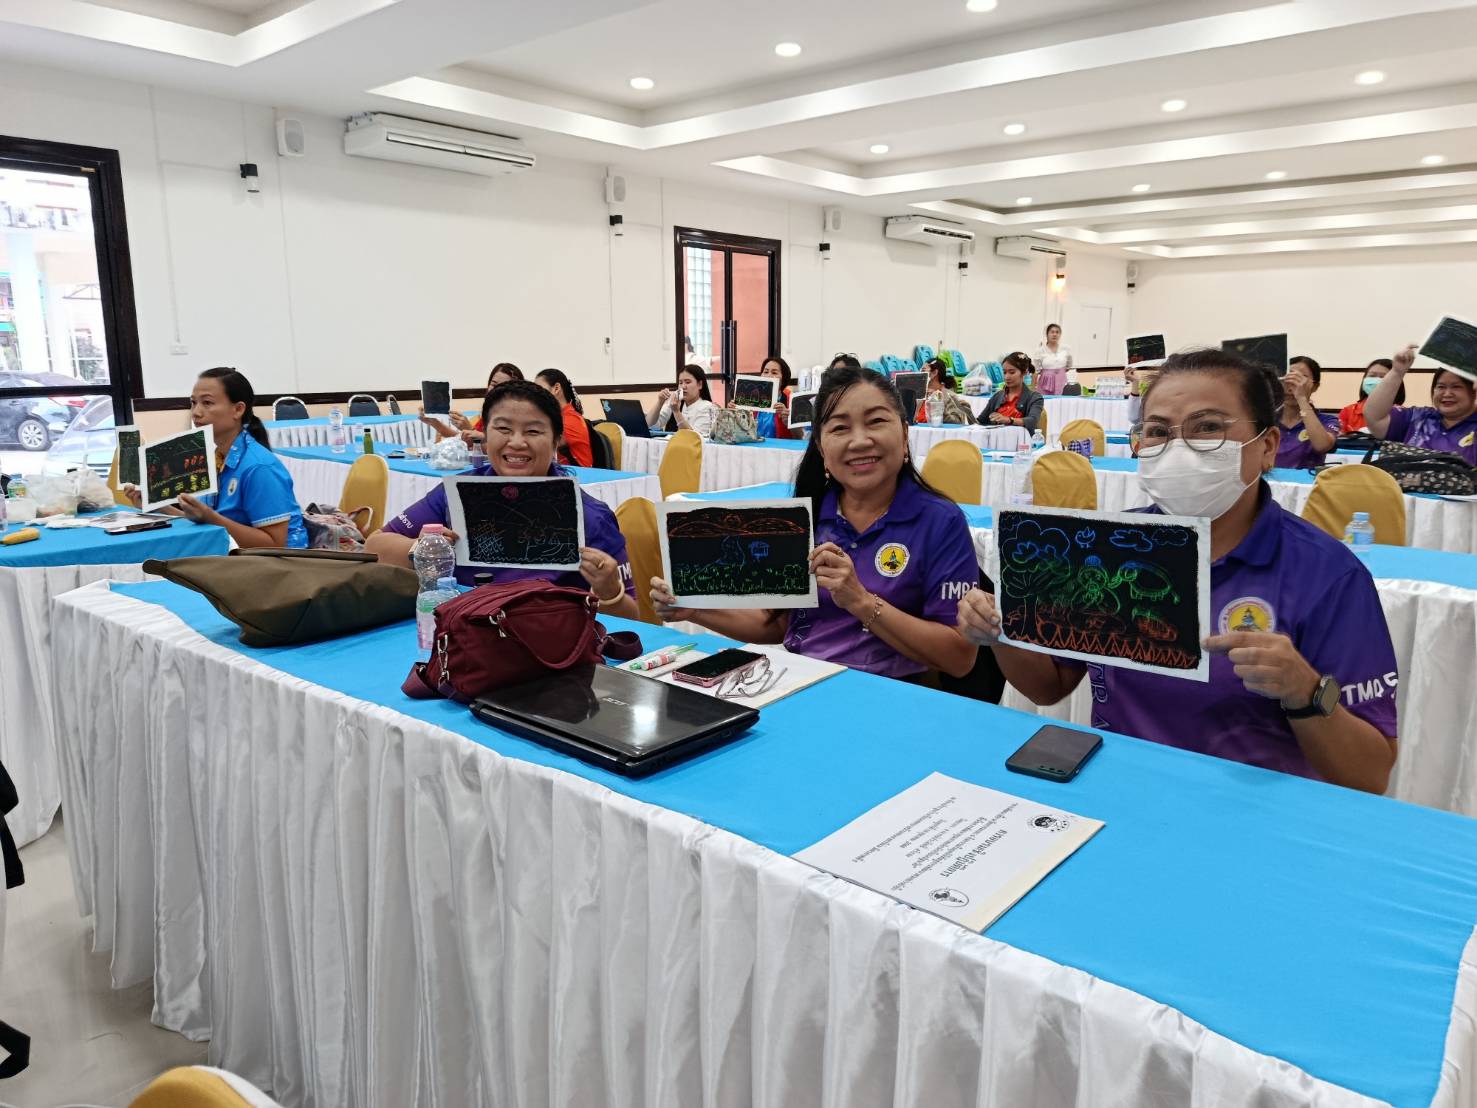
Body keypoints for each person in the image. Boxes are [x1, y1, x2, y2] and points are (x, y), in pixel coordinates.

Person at [957, 348, 1398, 793]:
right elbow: (1049, 686)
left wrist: (1306, 691)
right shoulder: (1108, 547)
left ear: (1267, 447)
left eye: (1208, 428)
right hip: (1119, 792)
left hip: (1251, 812)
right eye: (1157, 432)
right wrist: (1000, 632)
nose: (1178, 448)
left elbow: (1369, 775)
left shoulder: (1328, 576)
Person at [650, 366, 978, 680]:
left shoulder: (940, 522)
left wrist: (861, 601)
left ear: (904, 434)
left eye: (876, 421)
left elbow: (959, 658)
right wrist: (694, 610)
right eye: (840, 428)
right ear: (821, 446)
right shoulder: (807, 517)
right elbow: (780, 625)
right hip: (799, 684)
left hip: (892, 696)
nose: (859, 440)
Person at [365, 381, 637, 617]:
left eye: (533, 431)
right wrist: (423, 549)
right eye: (503, 429)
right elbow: (375, 546)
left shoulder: (591, 517)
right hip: (465, 636)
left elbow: (633, 619)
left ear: (556, 441)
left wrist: (609, 591)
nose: (516, 442)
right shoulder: (456, 494)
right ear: (485, 434)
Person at [124, 367, 307, 548]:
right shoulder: (215, 459)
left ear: (238, 410)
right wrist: (156, 506)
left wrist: (210, 518)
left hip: (276, 562)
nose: (196, 412)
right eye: (193, 402)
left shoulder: (259, 467)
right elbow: (205, 524)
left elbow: (275, 544)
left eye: (207, 403)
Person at [1364, 344, 1477, 464]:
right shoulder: (1417, 417)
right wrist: (1397, 371)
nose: (1447, 393)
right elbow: (1374, 418)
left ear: (1474, 391)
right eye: (1441, 387)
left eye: (1456, 387)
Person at [421, 363, 522, 444]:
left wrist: (470, 429)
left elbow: (498, 448)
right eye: (493, 384)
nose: (496, 389)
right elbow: (461, 438)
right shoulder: (485, 415)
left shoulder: (516, 419)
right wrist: (434, 422)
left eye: (503, 386)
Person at [1274, 355, 1338, 468]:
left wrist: (1301, 398)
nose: (1292, 387)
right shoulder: (1268, 419)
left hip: (1309, 479)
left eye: (1300, 379)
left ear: (1315, 386)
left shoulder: (1327, 420)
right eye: (1288, 378)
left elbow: (1322, 446)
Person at [534, 368, 593, 467]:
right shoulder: (560, 417)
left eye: (540, 390)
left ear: (556, 388)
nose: (536, 396)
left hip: (578, 474)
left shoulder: (569, 421)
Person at [978, 352, 1044, 433]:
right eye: (1004, 372)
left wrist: (1009, 420)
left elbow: (1032, 421)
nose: (1007, 377)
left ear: (1024, 372)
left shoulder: (1034, 397)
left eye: (1012, 372)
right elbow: (980, 422)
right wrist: (967, 412)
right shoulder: (997, 396)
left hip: (1022, 440)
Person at [648, 364, 717, 439]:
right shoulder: (675, 401)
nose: (683, 386)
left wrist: (676, 412)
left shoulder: (707, 407)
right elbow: (650, 424)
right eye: (680, 383)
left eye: (687, 382)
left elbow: (694, 438)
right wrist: (660, 402)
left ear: (699, 384)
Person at [1338, 358, 1403, 434]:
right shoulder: (1348, 412)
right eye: (1372, 376)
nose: (1376, 380)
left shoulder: (1403, 414)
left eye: (1383, 377)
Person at [740, 355, 794, 438]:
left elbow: (800, 437)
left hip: (780, 446)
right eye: (765, 372)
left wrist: (789, 423)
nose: (768, 376)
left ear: (783, 379)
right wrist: (733, 412)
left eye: (774, 373)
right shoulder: (750, 398)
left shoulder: (791, 401)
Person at [913, 358, 972, 425]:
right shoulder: (920, 395)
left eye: (923, 370)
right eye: (920, 370)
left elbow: (957, 422)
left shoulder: (950, 396)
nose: (920, 374)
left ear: (935, 373)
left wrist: (940, 410)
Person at [1033, 323, 1072, 396]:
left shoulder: (1066, 349)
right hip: (1045, 381)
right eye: (1052, 332)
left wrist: (1059, 372)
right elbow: (1035, 370)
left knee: (1061, 400)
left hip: (1061, 380)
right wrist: (1033, 387)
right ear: (1047, 334)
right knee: (1046, 400)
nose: (1055, 334)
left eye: (1057, 332)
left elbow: (1069, 366)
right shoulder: (1040, 351)